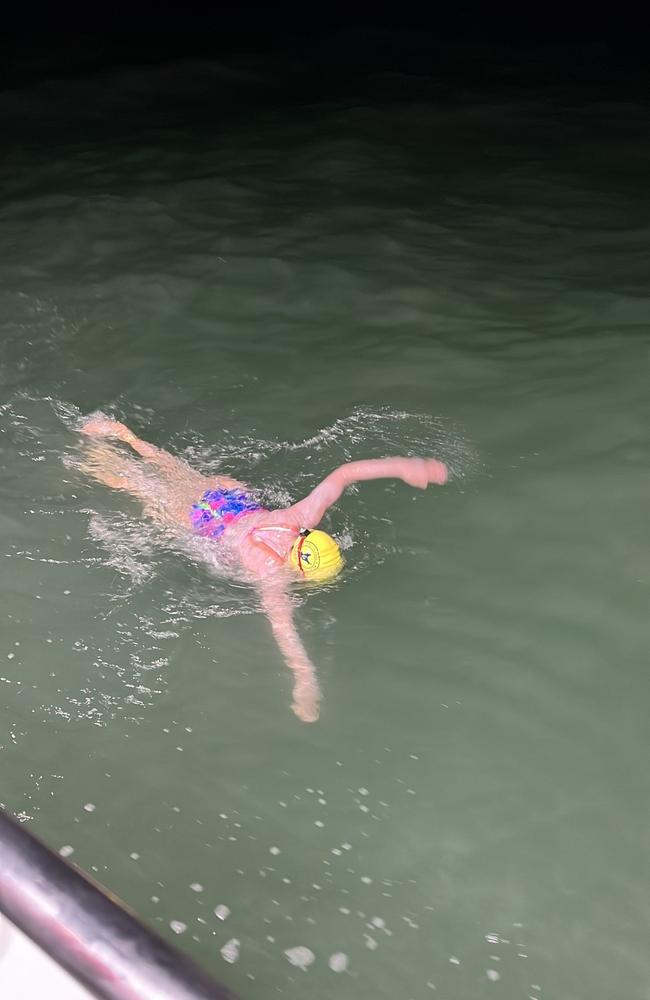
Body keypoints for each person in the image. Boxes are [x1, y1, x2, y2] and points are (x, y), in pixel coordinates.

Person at [78, 415, 448, 722]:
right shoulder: (270, 574)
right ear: (300, 571)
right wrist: (305, 680)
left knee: (170, 467)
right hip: (200, 521)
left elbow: (345, 473)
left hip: (228, 497)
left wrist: (405, 466)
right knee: (134, 486)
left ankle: (126, 436)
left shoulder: (296, 518)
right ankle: (86, 456)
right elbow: (283, 630)